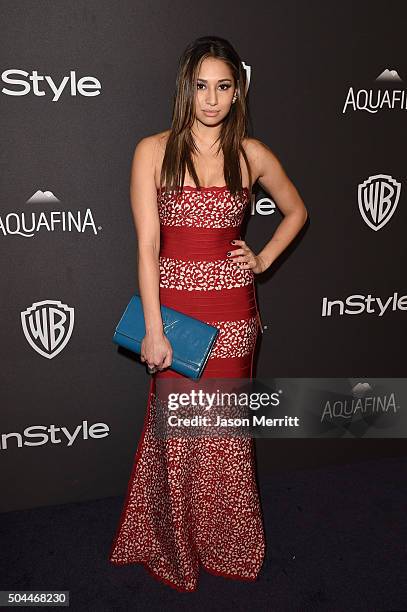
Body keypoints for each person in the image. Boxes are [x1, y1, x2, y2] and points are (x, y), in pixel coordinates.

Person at [109, 35, 308, 592]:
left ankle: (228, 543)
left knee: (224, 437)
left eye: (223, 87)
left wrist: (263, 257)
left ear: (237, 91)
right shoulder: (153, 150)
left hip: (234, 317)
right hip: (174, 318)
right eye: (202, 87)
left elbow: (296, 210)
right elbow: (148, 248)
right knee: (177, 435)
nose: (212, 99)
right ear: (185, 88)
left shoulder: (252, 154)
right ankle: (177, 544)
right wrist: (152, 329)